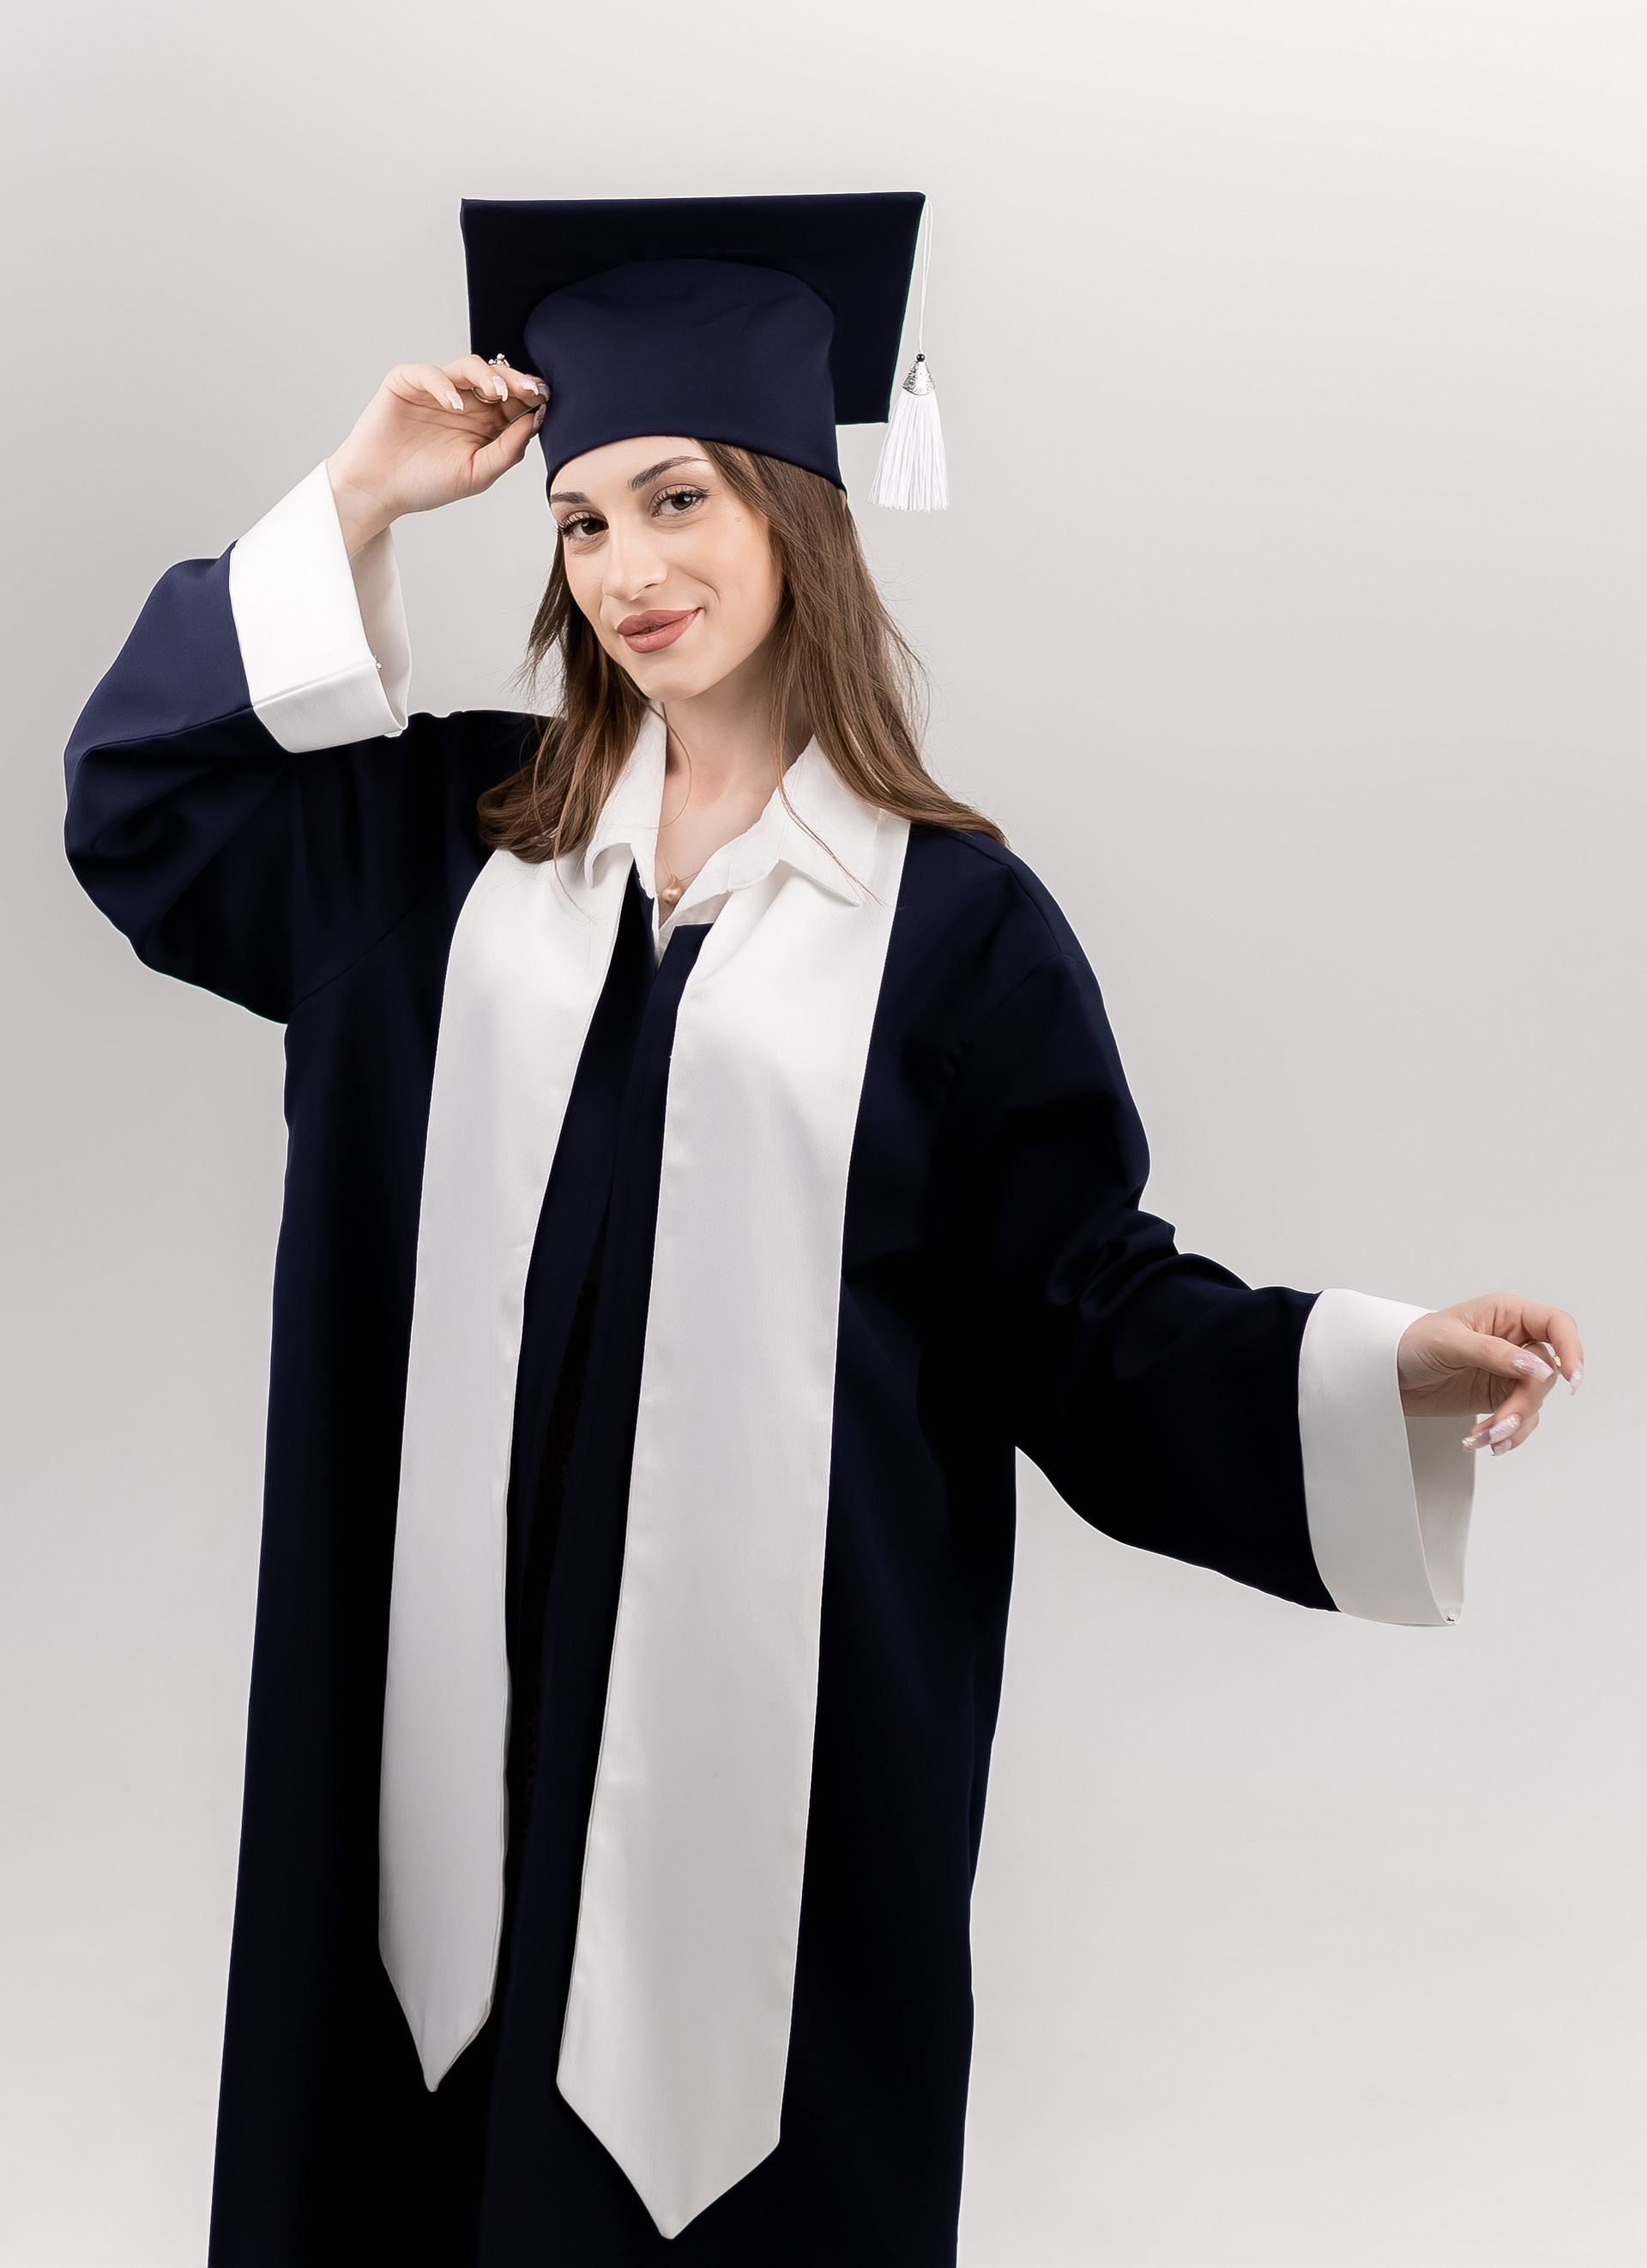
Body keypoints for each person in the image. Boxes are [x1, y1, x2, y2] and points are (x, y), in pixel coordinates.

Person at [63, 193, 1583, 2268]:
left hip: (766, 1804)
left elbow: (1081, 1315)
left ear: (796, 511)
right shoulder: (441, 854)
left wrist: (1374, 1364)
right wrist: (360, 493)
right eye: (582, 521)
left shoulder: (954, 931)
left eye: (677, 500)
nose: (628, 569)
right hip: (423, 1754)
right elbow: (144, 803)